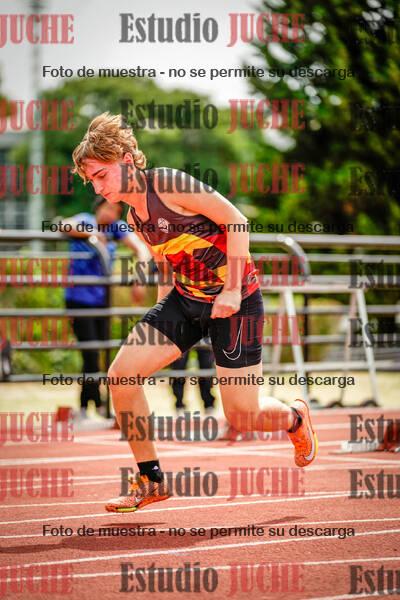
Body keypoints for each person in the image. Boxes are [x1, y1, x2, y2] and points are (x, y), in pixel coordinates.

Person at [72, 112, 318, 513]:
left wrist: (232, 290)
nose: (98, 187)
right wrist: (160, 315)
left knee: (242, 414)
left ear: (127, 160)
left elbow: (237, 221)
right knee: (121, 376)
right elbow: (165, 262)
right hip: (186, 301)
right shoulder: (134, 216)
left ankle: (294, 418)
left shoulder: (168, 183)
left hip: (236, 301)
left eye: (101, 175)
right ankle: (151, 480)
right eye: (91, 181)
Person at [62, 196, 150, 419]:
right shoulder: (85, 220)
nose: (110, 213)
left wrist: (140, 279)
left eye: (116, 210)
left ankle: (92, 405)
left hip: (103, 300)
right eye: (108, 207)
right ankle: (93, 404)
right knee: (90, 352)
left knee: (102, 352)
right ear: (98, 206)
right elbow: (64, 224)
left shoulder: (116, 227)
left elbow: (141, 249)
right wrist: (91, 235)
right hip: (78, 299)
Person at [170, 340, 216, 414]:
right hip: (182, 335)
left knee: (206, 368)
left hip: (203, 336)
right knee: (178, 369)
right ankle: (179, 405)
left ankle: (209, 404)